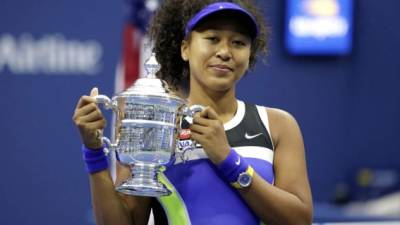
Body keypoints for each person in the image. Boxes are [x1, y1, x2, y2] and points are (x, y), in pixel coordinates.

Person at [72, 0, 313, 225]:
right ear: (185, 49)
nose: (225, 52)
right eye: (212, 38)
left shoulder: (278, 125)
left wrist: (228, 160)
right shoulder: (155, 121)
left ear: (249, 55)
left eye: (238, 42)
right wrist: (94, 153)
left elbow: (300, 220)